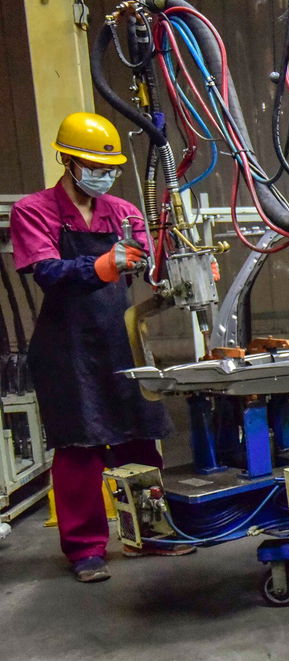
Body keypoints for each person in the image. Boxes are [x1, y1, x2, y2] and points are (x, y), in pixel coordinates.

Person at [11, 112, 188, 584]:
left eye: (108, 166)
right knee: (79, 449)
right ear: (67, 160)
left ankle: (150, 533)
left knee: (138, 440)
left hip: (121, 336)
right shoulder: (35, 210)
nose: (102, 174)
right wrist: (102, 265)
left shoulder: (124, 211)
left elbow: (150, 269)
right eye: (91, 164)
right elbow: (46, 272)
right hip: (65, 346)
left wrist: (183, 275)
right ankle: (86, 549)